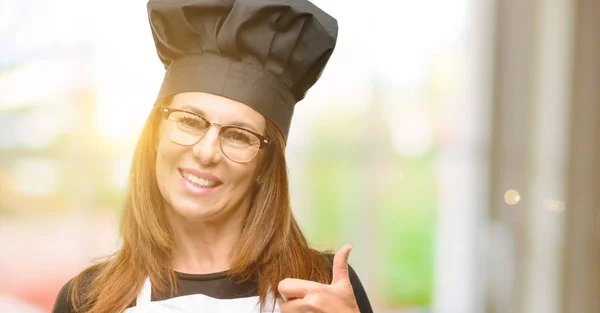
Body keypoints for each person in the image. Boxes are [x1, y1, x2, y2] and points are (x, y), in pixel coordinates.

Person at [52, 0, 373, 312]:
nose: (206, 153)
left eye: (238, 136)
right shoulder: (87, 300)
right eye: (190, 121)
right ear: (155, 135)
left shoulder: (321, 288)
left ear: (265, 164)